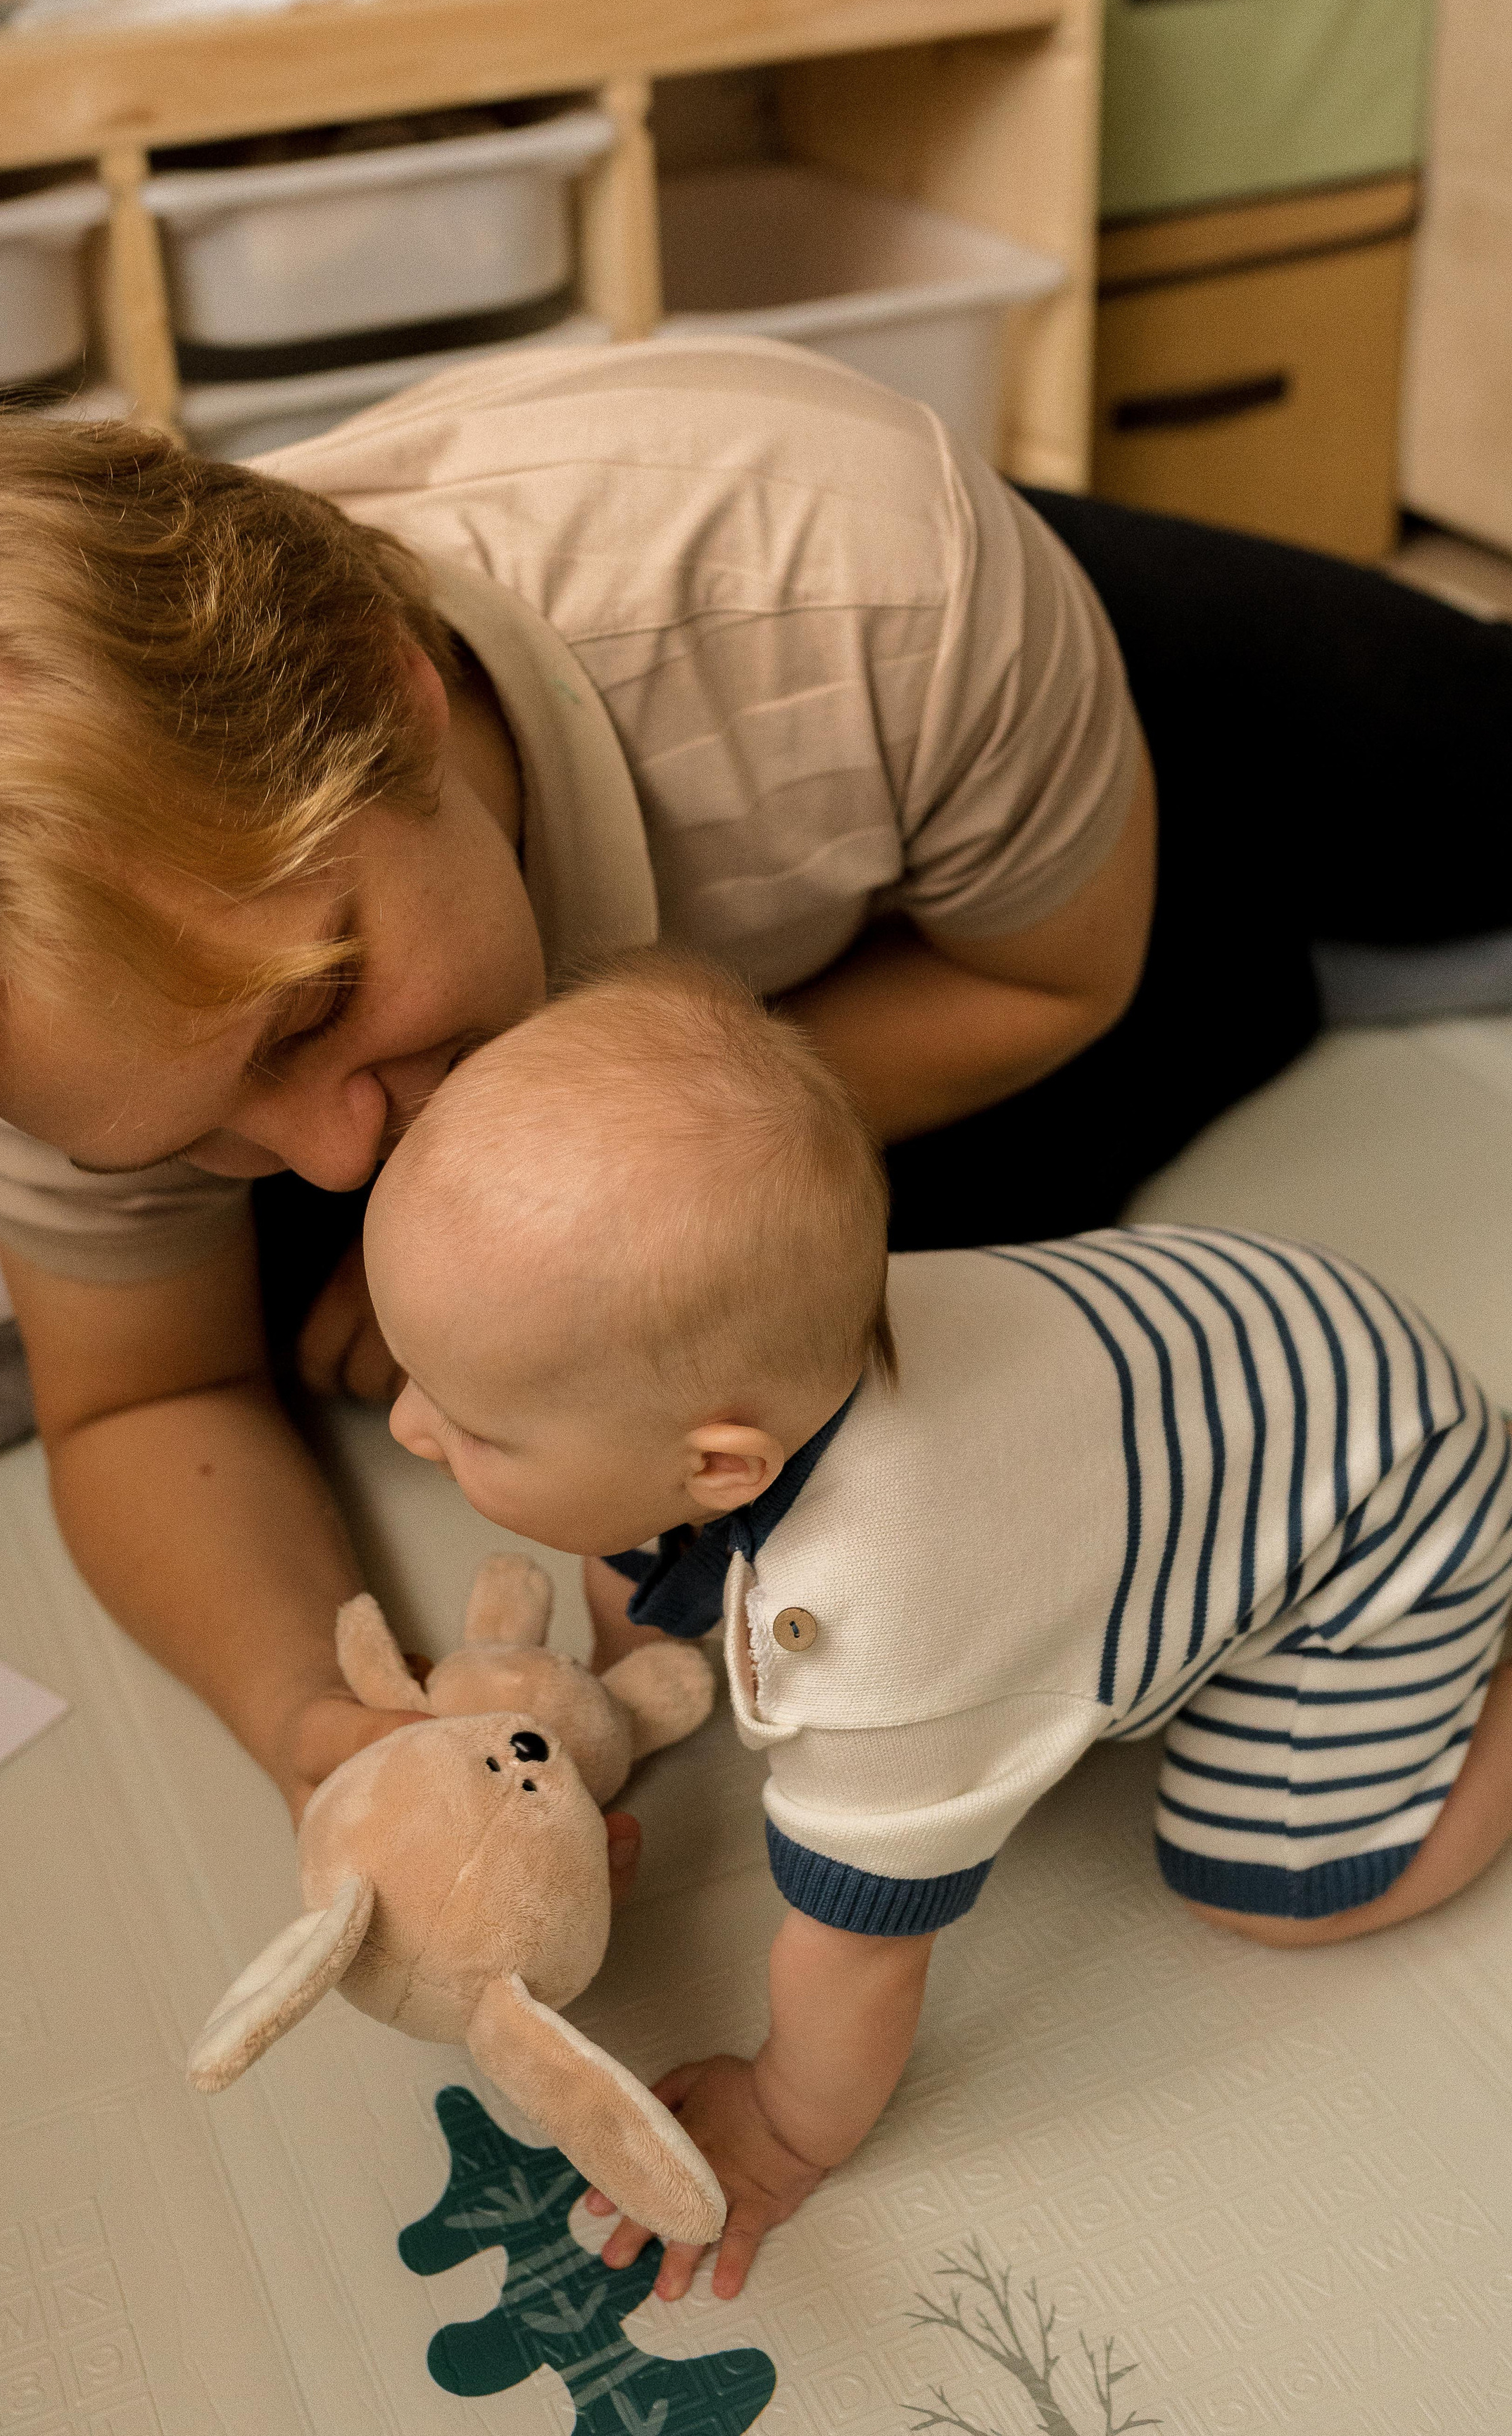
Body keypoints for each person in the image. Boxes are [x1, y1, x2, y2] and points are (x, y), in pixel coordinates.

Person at [0, 339, 1509, 1832]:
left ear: (397, 698)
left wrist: (535, 1232)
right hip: (850, 943)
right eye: (197, 1139)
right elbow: (132, 1405)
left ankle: (1260, 955)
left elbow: (1049, 979)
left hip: (989, 781)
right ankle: (1262, 982)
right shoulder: (27, 978)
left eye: (314, 1010)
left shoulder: (854, 578)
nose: (343, 1155)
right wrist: (314, 1732)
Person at [361, 949, 1512, 2299]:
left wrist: (789, 2125)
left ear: (722, 1470)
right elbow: (638, 1551)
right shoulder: (755, 1350)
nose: (404, 1427)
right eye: (414, 1375)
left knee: (1278, 1887)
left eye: (474, 1425)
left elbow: (865, 1950)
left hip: (1386, 1502)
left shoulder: (883, 1637)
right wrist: (625, 1683)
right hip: (1251, 1342)